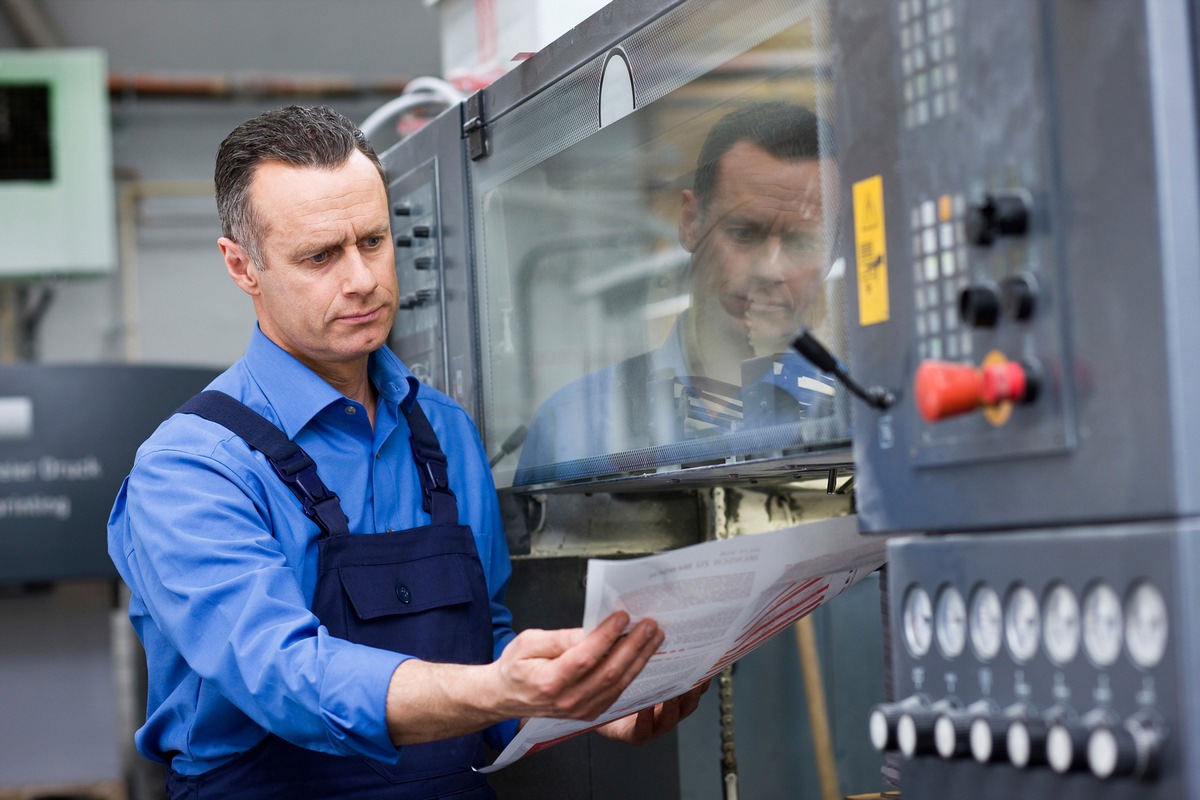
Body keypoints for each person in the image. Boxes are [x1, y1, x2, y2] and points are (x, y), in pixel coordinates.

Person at [108, 105, 704, 799]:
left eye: (373, 240)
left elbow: (488, 642)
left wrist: (582, 705)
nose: (361, 278)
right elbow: (286, 676)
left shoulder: (442, 432)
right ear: (242, 266)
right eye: (320, 256)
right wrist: (496, 689)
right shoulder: (192, 469)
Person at [515, 102, 840, 483]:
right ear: (690, 223)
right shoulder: (572, 429)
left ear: (834, 249)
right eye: (743, 233)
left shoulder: (858, 417)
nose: (770, 269)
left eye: (802, 242)